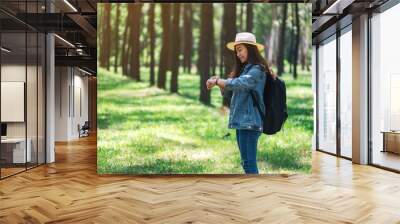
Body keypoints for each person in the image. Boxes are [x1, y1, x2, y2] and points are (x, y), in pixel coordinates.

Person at [206, 32, 273, 174]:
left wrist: (219, 81)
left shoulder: (257, 70)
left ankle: (253, 193)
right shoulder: (246, 69)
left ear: (250, 48)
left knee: (249, 164)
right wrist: (219, 84)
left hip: (250, 123)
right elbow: (234, 89)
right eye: (237, 51)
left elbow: (240, 83)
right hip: (242, 122)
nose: (238, 54)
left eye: (240, 49)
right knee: (245, 163)